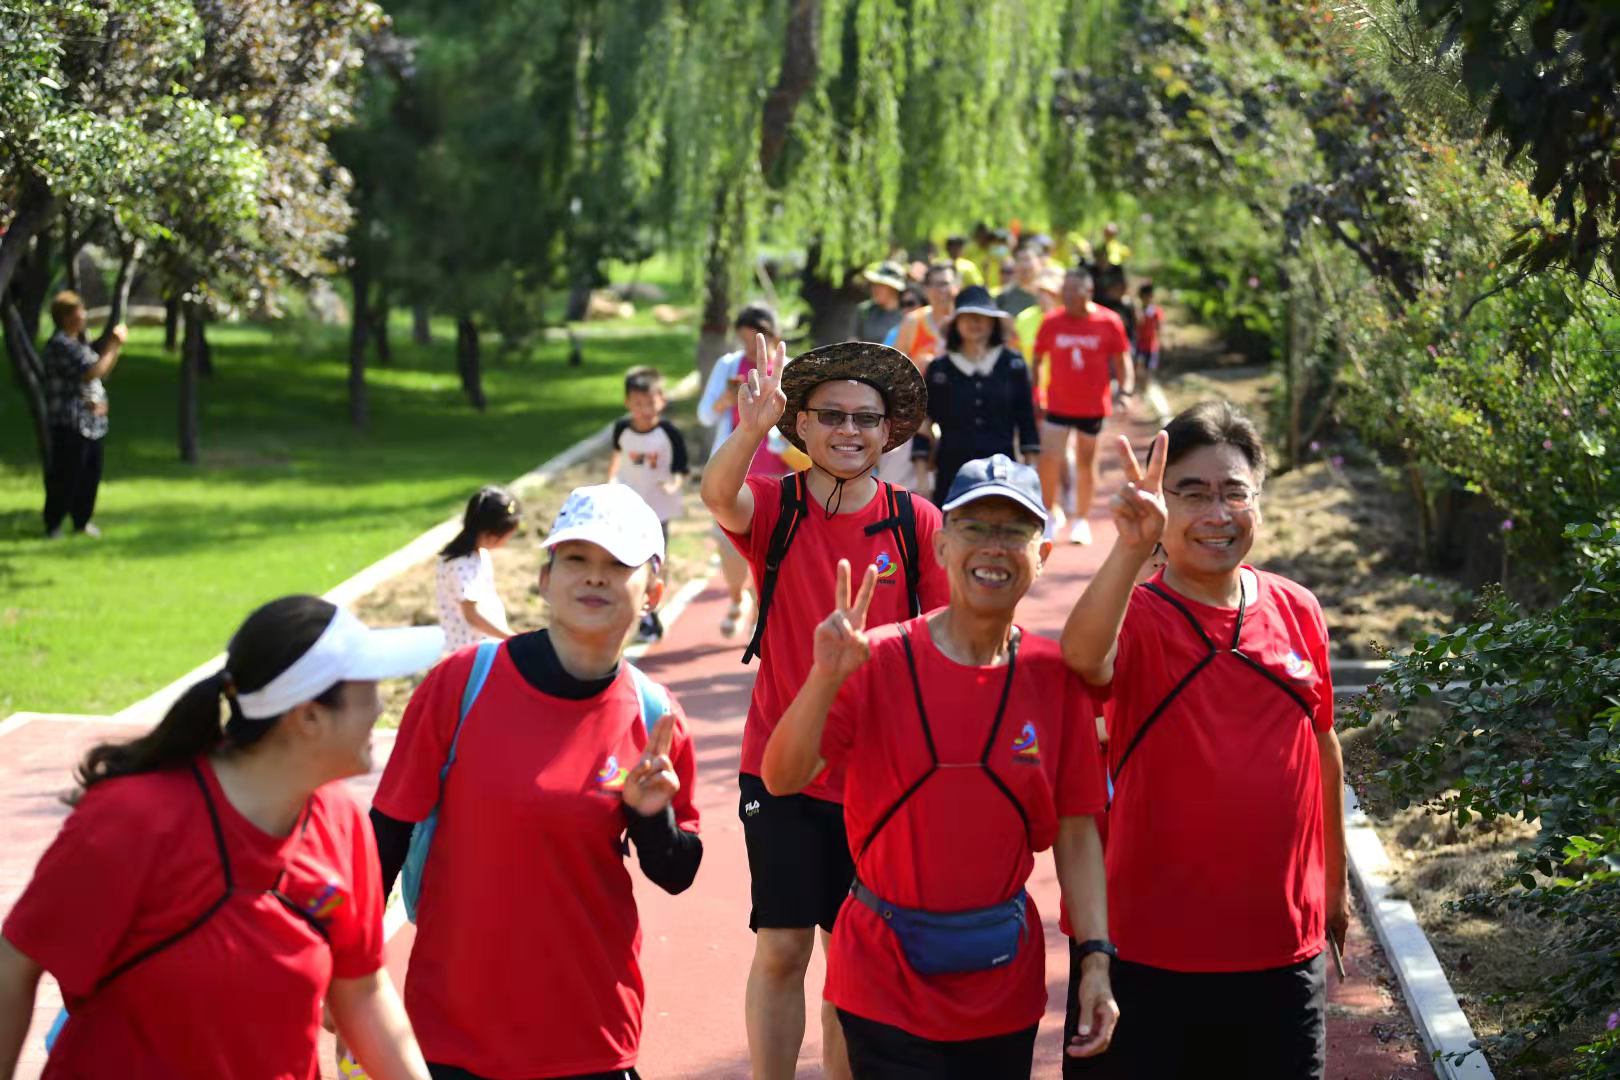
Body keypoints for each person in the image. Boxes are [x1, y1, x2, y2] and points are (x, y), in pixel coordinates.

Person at [760, 455, 1117, 1079]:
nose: (994, 547)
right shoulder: (874, 660)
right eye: (976, 528)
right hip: (883, 975)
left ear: (1044, 552)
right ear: (943, 544)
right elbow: (782, 778)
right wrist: (822, 679)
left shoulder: (1052, 677)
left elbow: (1077, 829)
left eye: (1015, 531)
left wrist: (1095, 958)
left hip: (1001, 980)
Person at [0, 596, 442, 1079]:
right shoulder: (132, 821)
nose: (380, 707)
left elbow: (362, 991)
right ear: (308, 716)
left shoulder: (343, 824)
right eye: (369, 690)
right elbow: (15, 967)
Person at [371, 484, 701, 1080]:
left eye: (615, 565)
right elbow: (384, 840)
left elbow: (676, 872)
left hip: (590, 1035)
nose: (594, 578)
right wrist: (347, 982)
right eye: (576, 560)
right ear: (545, 579)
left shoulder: (655, 716)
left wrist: (652, 819)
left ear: (652, 592)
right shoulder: (458, 685)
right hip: (452, 1034)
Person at [1059, 402, 1348, 1079]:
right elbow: (1081, 656)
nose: (1217, 513)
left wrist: (1333, 888)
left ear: (1258, 501)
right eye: (1192, 494)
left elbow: (1324, 747)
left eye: (1234, 492)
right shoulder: (1137, 616)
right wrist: (1130, 548)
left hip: (1281, 954)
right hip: (1149, 957)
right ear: (1162, 507)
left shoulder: (1296, 608)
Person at [701, 337, 950, 1080]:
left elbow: (942, 648)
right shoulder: (775, 509)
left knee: (855, 958)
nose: (850, 430)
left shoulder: (917, 523)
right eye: (831, 415)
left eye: (866, 419)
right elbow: (720, 497)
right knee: (780, 946)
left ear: (889, 431)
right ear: (801, 427)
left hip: (878, 778)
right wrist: (749, 427)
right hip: (778, 768)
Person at [698, 304, 791, 638]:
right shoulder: (728, 366)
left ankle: (757, 607)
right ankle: (737, 596)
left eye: (757, 340)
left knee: (772, 549)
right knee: (728, 543)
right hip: (736, 473)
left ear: (774, 335)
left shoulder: (789, 369)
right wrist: (725, 398)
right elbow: (706, 415)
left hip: (780, 474)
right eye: (745, 341)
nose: (752, 349)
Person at [1032, 268, 1133, 545]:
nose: (1065, 297)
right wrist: (1036, 391)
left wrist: (1125, 390)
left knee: (1086, 463)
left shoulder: (1108, 321)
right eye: (1063, 291)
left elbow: (1123, 359)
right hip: (1057, 403)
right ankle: (1050, 514)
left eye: (1071, 292)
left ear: (1088, 293)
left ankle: (1081, 519)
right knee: (1049, 458)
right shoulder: (1052, 321)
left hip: (1092, 406)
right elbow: (1038, 359)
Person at [911, 286, 1039, 506]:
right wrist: (923, 478)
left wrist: (1031, 471)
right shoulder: (940, 369)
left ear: (993, 323)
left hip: (1002, 470)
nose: (975, 323)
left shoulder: (1013, 365)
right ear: (956, 324)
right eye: (967, 317)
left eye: (982, 317)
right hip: (951, 469)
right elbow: (924, 422)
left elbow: (1026, 420)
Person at [609, 366, 690, 642]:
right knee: (630, 558)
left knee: (654, 561)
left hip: (659, 510)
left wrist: (673, 485)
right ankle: (644, 616)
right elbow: (617, 458)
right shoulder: (621, 429)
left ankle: (650, 611)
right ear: (627, 403)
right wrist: (610, 482)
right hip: (628, 507)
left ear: (662, 401)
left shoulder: (669, 433)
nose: (644, 409)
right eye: (638, 404)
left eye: (650, 403)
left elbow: (681, 469)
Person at [40, 291, 127, 539]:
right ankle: (54, 524)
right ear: (66, 317)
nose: (83, 316)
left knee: (90, 474)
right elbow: (92, 371)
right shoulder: (61, 344)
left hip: (91, 424)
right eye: (78, 312)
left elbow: (100, 374)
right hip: (69, 422)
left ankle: (82, 521)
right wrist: (114, 344)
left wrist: (99, 402)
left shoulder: (78, 342)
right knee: (65, 474)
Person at [436, 486, 522, 653]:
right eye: (506, 537)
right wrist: (511, 638)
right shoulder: (460, 565)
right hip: (471, 653)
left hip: (484, 644)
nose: (506, 542)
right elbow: (472, 615)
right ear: (489, 535)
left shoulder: (477, 553)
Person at [892, 263, 958, 369]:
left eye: (945, 284)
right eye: (935, 284)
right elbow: (895, 365)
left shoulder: (965, 321)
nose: (941, 290)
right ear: (926, 289)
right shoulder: (912, 321)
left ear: (957, 286)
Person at [855, 262, 909, 344]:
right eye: (874, 284)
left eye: (881, 285)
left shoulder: (907, 316)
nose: (875, 289)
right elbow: (855, 340)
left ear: (893, 289)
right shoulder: (866, 310)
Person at [997, 245, 1042, 318]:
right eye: (1020, 260)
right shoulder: (1004, 296)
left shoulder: (1049, 294)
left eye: (1028, 259)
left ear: (1040, 262)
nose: (1024, 265)